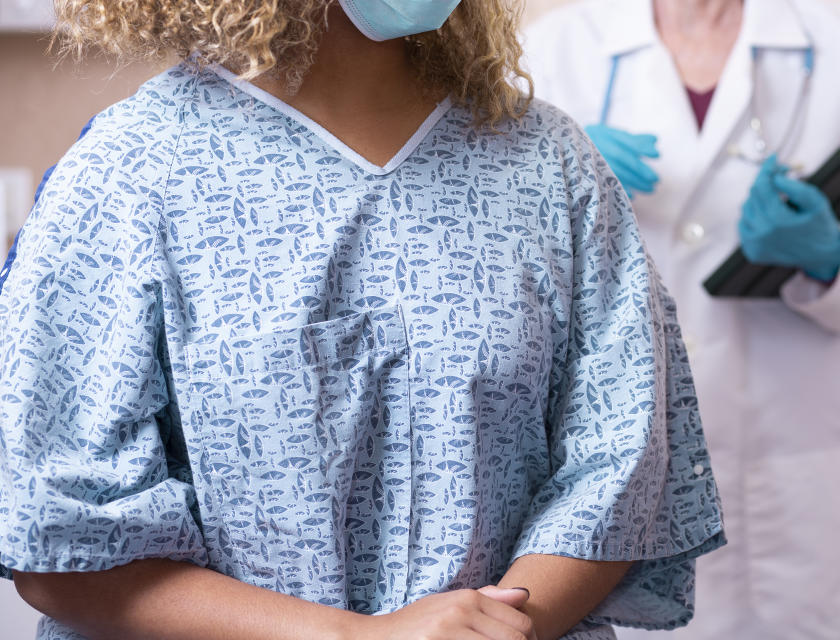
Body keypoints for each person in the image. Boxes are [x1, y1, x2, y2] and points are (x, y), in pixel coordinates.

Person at [0, 1, 725, 639]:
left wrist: (503, 627)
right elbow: (59, 544)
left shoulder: (548, 163)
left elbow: (621, 467)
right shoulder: (131, 173)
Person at [524, 0, 840, 638]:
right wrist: (548, 183)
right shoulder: (551, 56)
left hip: (791, 482)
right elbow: (491, 280)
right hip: (609, 475)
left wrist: (834, 257)